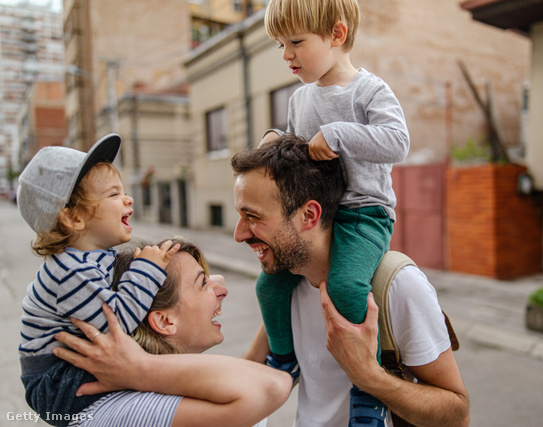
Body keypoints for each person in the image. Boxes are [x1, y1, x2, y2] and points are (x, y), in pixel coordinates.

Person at [234, 135, 469, 427]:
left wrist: (370, 378)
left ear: (309, 215)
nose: (239, 233)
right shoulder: (288, 285)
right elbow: (249, 371)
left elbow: (458, 415)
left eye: (252, 216)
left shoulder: (398, 286)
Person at [256, 1, 410, 422]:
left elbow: (397, 142)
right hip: (315, 219)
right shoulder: (300, 98)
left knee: (344, 287)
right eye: (279, 45)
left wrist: (340, 133)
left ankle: (369, 386)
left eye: (295, 43)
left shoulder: (370, 90)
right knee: (268, 287)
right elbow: (297, 153)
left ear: (337, 35)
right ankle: (285, 359)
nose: (286, 54)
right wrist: (277, 141)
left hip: (364, 214)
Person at [16, 134, 180, 424]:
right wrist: (148, 269)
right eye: (113, 195)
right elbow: (116, 322)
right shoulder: (71, 271)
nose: (128, 198)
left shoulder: (91, 257)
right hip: (54, 383)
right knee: (149, 366)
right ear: (75, 218)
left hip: (63, 369)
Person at [53, 239, 292, 427]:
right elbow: (273, 385)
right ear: (165, 321)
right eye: (202, 283)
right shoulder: (134, 409)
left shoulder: (160, 387)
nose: (222, 289)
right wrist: (139, 367)